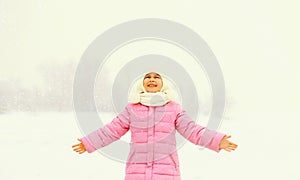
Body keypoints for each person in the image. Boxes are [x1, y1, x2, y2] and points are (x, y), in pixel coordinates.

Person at [72, 72, 238, 180]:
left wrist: (216, 140)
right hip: (136, 172)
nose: (152, 79)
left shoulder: (174, 108)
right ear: (142, 85)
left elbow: (192, 130)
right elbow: (110, 131)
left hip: (166, 172)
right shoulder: (132, 109)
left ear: (163, 85)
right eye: (147, 77)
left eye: (156, 77)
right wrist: (89, 142)